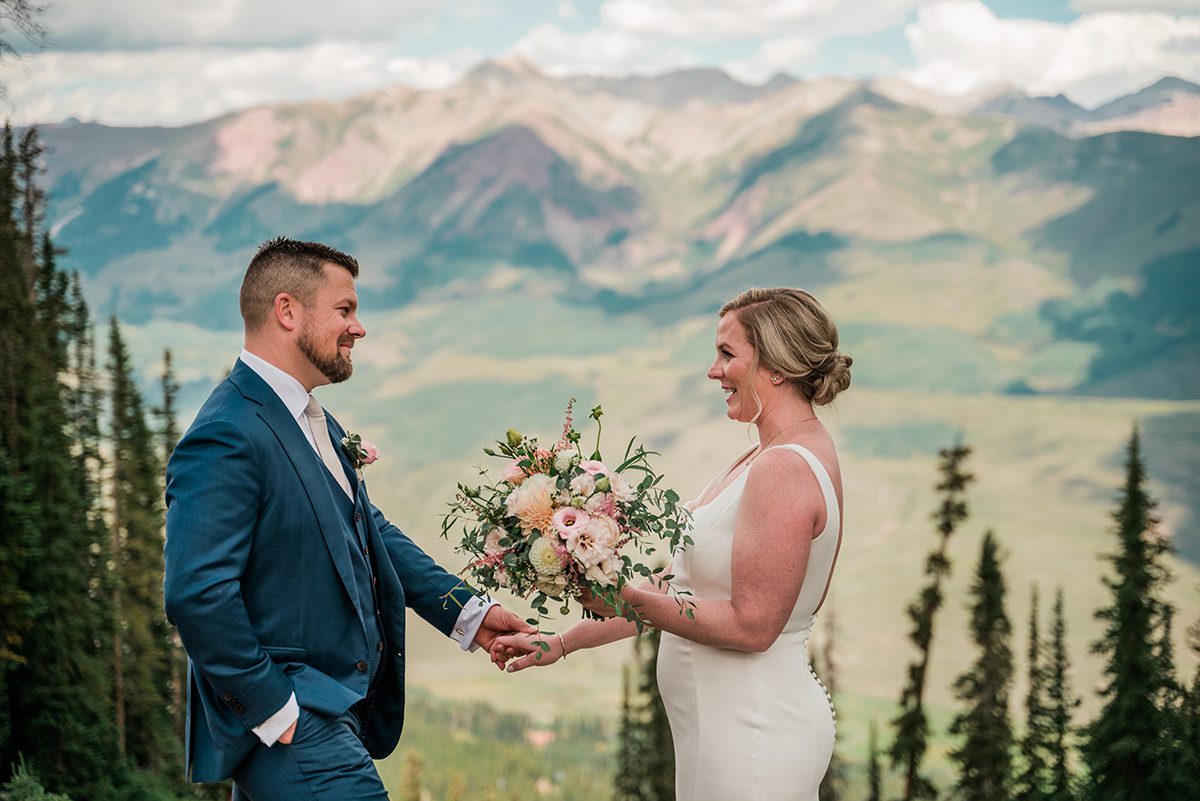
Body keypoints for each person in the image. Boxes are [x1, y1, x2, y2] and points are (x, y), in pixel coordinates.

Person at [163, 237, 533, 800]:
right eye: (345, 310)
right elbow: (195, 592)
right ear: (288, 311)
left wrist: (471, 616)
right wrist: (273, 710)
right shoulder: (228, 432)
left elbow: (367, 532)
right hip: (296, 715)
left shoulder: (312, 419)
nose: (358, 327)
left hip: (333, 711)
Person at [494, 287, 851, 801]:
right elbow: (679, 588)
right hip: (726, 731)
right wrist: (564, 642)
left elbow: (753, 626)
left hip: (753, 736)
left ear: (776, 366)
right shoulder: (763, 457)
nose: (713, 370)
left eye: (727, 354)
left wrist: (626, 597)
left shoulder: (783, 467)